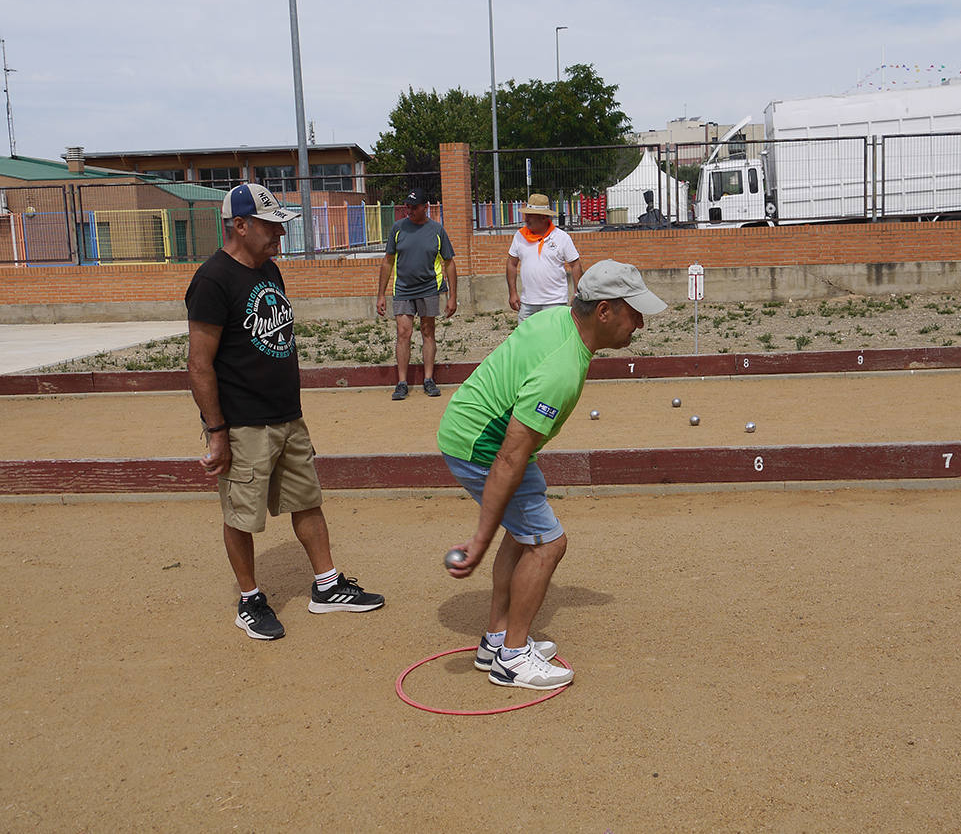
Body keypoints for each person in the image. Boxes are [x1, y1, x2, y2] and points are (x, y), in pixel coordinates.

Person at [437, 260, 667, 689]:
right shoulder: (561, 369)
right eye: (633, 313)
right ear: (603, 312)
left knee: (526, 535)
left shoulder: (558, 320)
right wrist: (478, 541)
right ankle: (512, 658)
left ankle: (497, 639)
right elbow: (508, 458)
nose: (639, 324)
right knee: (548, 544)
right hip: (482, 445)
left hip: (469, 428)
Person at [186, 183, 384, 641]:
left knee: (307, 500)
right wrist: (217, 431)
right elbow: (199, 364)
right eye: (271, 225)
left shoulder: (269, 271)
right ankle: (250, 599)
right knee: (241, 514)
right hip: (242, 424)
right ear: (240, 225)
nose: (280, 234)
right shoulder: (212, 281)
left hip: (287, 416)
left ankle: (327, 587)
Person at [375, 188, 458, 400]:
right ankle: (402, 383)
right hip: (403, 289)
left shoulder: (437, 230)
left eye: (413, 207)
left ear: (425, 207)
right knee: (403, 333)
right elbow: (387, 261)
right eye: (407, 207)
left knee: (428, 331)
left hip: (429, 288)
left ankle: (429, 379)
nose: (409, 210)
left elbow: (449, 264)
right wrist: (380, 295)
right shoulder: (398, 228)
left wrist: (452, 297)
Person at [506, 193, 583, 321]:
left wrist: (577, 293)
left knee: (553, 339)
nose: (526, 219)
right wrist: (512, 293)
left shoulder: (562, 237)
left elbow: (575, 264)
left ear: (543, 217)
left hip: (555, 303)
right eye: (526, 214)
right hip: (527, 303)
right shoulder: (519, 236)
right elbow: (511, 264)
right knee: (525, 339)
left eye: (530, 215)